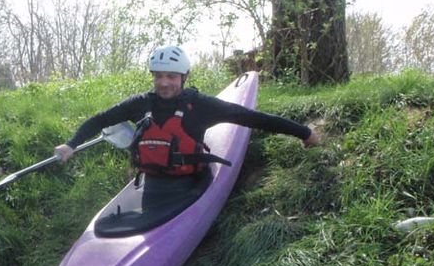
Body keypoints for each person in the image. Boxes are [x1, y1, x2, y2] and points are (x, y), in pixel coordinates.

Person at [54, 45, 319, 211]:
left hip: (189, 188)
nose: (164, 83)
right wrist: (71, 144)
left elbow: (250, 117)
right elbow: (99, 120)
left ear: (183, 77)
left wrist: (303, 133)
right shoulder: (140, 104)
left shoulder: (200, 104)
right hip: (153, 187)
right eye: (158, 76)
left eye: (171, 76)